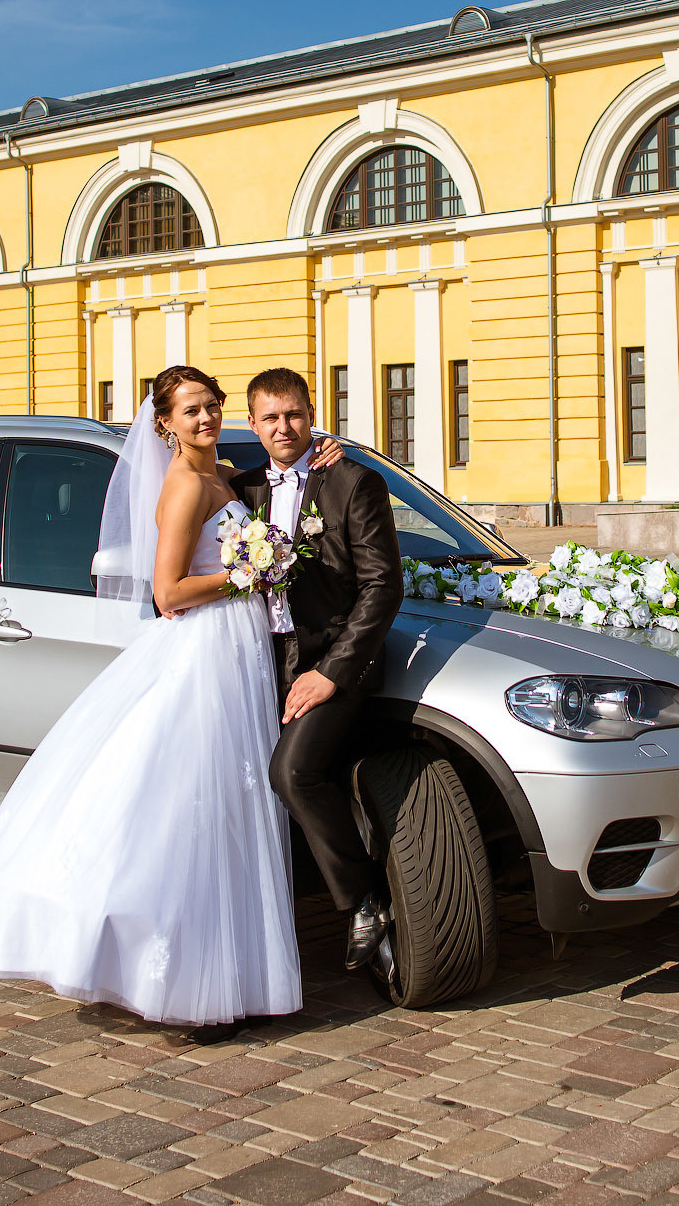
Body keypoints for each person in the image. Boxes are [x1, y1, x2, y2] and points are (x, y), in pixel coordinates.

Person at [0, 365, 308, 1043]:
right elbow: (167, 594)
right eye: (191, 410)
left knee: (236, 808)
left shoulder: (226, 475)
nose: (206, 418)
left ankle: (238, 974)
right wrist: (244, 576)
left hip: (240, 650)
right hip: (204, 651)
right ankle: (184, 987)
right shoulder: (182, 487)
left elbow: (287, 474)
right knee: (196, 811)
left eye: (212, 405)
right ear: (165, 424)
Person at [229, 368, 405, 975]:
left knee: (295, 773)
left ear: (313, 414)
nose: (284, 427)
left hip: (329, 663)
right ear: (252, 424)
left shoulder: (351, 482)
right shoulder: (241, 491)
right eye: (270, 418)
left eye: (294, 415)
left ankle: (364, 902)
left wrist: (333, 671)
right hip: (256, 664)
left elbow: (383, 586)